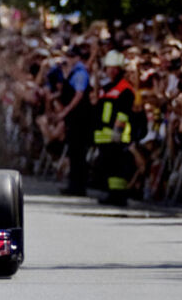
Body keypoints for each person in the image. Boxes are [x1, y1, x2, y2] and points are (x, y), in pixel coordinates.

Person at [92, 50, 134, 206]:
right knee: (108, 164)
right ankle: (111, 193)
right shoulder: (107, 87)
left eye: (115, 67)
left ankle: (118, 195)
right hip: (103, 133)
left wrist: (117, 131)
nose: (111, 70)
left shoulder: (125, 89)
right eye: (109, 67)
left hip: (116, 133)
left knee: (117, 165)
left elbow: (123, 113)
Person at [57, 44, 91, 196]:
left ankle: (79, 186)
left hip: (80, 118)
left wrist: (66, 110)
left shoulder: (80, 73)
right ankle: (73, 183)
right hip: (73, 118)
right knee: (73, 151)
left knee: (78, 152)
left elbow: (78, 95)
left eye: (72, 57)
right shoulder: (71, 72)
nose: (68, 60)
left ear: (78, 58)